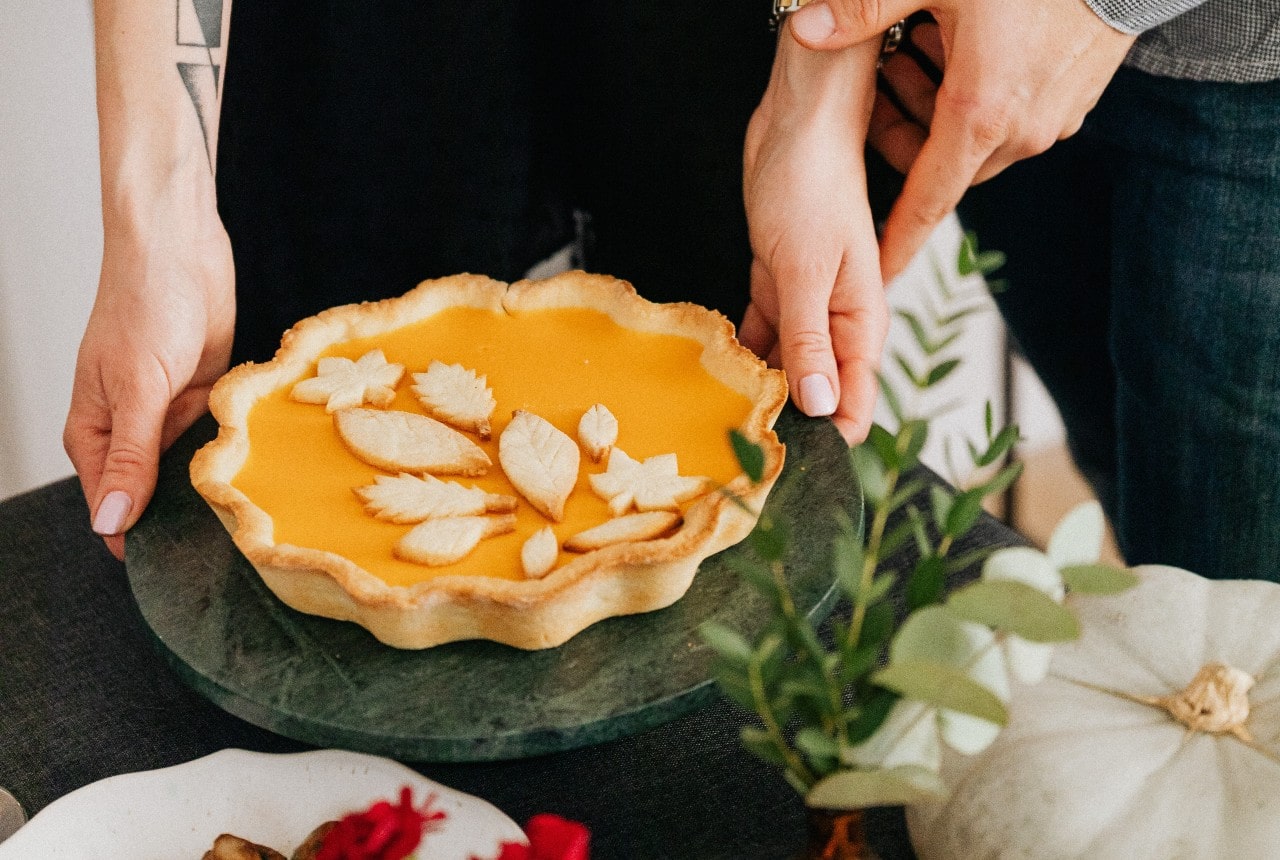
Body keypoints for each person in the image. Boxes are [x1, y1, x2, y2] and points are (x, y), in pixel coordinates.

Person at [784, 0, 1280, 581]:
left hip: (1253, 78)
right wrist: (824, 79)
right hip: (971, 46)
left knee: (1218, 567)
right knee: (1115, 453)